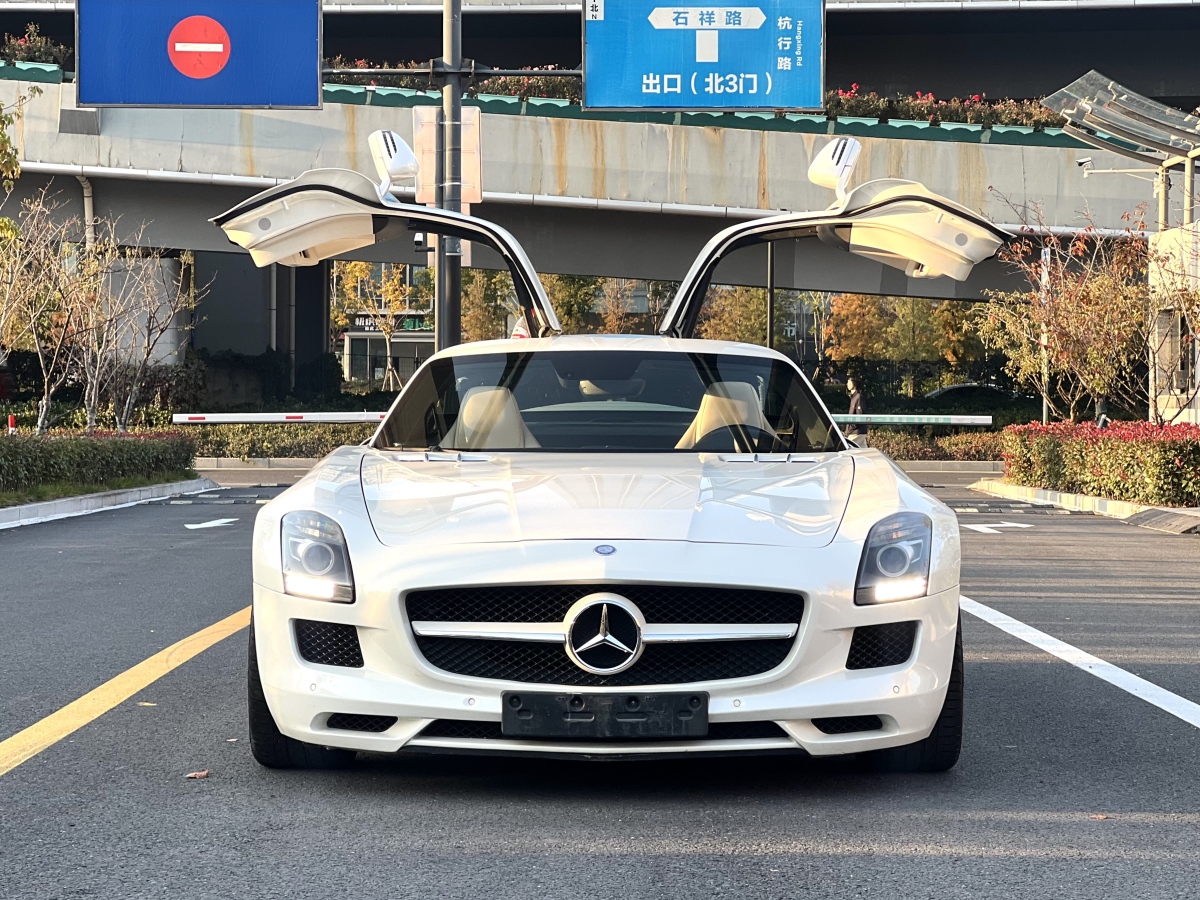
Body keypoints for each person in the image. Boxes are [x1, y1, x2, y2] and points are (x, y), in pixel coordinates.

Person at [845, 376, 866, 446]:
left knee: (847, 448)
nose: (847, 384)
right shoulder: (853, 397)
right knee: (864, 453)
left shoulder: (858, 397)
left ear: (854, 383)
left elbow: (859, 415)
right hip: (857, 432)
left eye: (849, 382)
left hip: (856, 432)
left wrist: (850, 428)